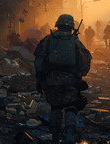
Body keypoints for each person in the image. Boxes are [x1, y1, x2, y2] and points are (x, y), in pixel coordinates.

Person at [34, 14, 92, 144]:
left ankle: (55, 137)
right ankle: (70, 134)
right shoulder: (75, 41)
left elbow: (39, 60)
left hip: (52, 80)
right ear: (71, 26)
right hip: (71, 80)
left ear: (57, 24)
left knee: (55, 107)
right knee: (71, 107)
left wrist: (40, 78)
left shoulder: (48, 40)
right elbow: (85, 59)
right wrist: (81, 74)